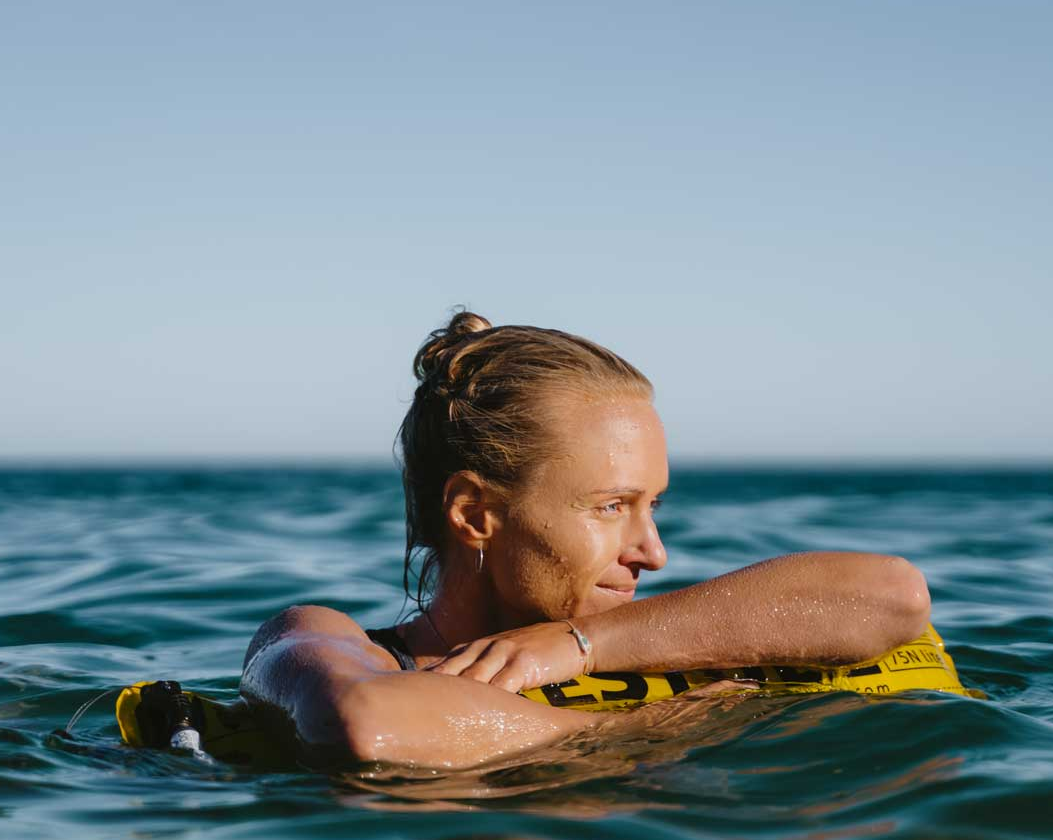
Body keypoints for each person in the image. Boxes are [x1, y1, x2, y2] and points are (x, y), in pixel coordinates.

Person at [240, 311, 930, 769]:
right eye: (611, 507)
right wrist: (658, 729)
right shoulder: (331, 642)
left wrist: (584, 645)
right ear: (475, 514)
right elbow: (365, 723)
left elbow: (895, 597)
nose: (653, 552)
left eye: (652, 506)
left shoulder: (644, 638)